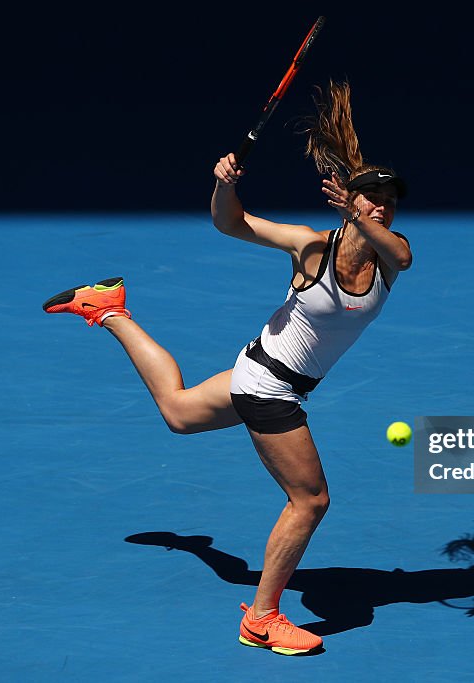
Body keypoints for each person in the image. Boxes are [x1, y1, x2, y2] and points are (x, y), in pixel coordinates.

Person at [42, 80, 412, 656]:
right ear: (349, 199)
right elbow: (231, 224)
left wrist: (365, 220)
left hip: (260, 375)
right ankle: (262, 618)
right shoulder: (309, 247)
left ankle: (109, 308)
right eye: (375, 198)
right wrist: (223, 187)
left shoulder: (393, 253)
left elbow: (402, 253)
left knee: (178, 413)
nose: (385, 207)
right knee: (310, 500)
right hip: (268, 384)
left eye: (392, 200)